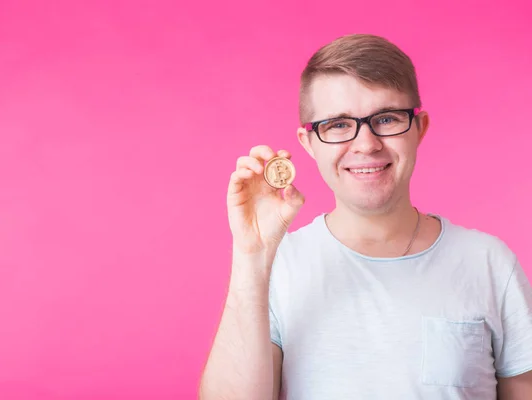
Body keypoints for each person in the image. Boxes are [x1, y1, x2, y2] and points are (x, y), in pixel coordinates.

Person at [198, 34, 532, 399]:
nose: (366, 143)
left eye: (386, 118)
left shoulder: (489, 263)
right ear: (308, 142)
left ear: (419, 129)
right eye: (338, 125)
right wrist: (251, 258)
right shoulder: (280, 266)